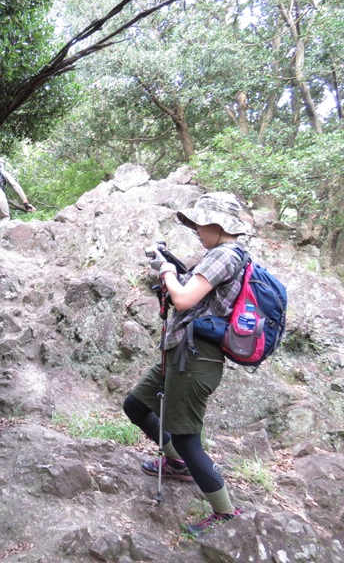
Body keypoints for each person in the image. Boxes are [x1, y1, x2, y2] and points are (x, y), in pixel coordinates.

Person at [123, 192, 248, 537]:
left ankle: (225, 511)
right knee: (135, 404)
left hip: (195, 359)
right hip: (181, 352)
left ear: (217, 224)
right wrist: (171, 272)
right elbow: (190, 300)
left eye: (199, 223)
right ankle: (176, 463)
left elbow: (182, 297)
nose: (195, 229)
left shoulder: (223, 255)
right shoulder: (220, 255)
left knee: (187, 437)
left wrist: (166, 271)